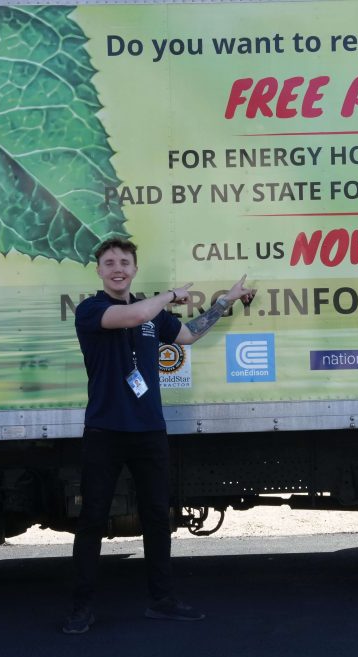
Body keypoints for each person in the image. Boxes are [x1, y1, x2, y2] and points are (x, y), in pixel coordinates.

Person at [63, 237, 256, 635]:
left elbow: (188, 334)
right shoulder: (91, 310)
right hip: (104, 431)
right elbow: (133, 316)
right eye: (110, 262)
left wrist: (225, 301)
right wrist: (170, 294)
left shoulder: (152, 314)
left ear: (134, 269)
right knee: (93, 519)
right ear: (99, 271)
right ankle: (81, 608)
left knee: (156, 517)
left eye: (125, 262)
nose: (118, 268)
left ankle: (162, 601)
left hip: (149, 430)